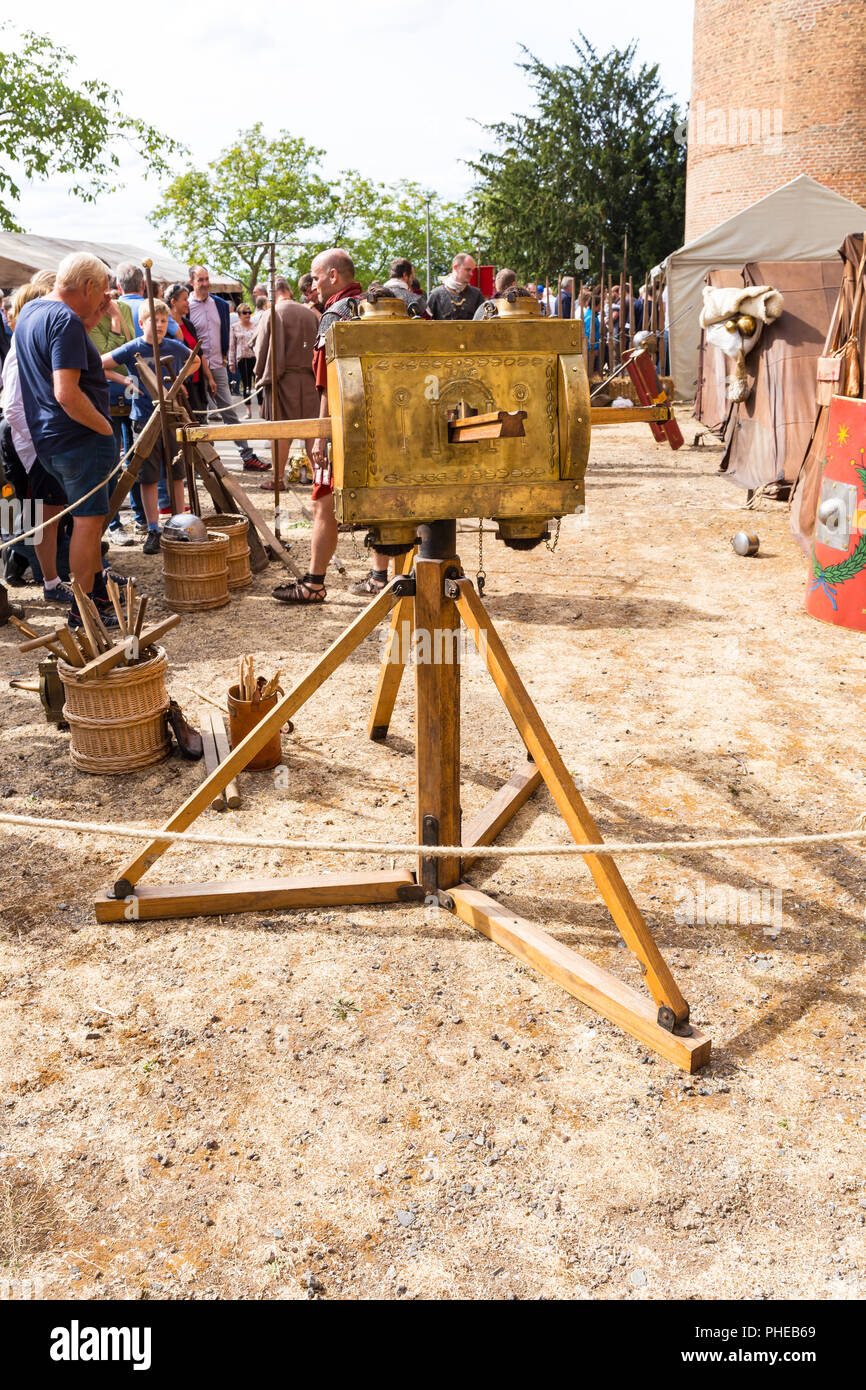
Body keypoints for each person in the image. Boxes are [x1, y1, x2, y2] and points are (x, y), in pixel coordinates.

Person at [14, 252, 121, 630]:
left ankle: (96, 594)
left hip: (49, 440)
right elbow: (66, 392)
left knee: (85, 522)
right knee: (88, 524)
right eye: (102, 291)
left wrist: (93, 315)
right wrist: (105, 428)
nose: (104, 299)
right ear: (89, 286)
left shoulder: (32, 312)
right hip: (78, 438)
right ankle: (82, 610)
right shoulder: (64, 321)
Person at [272, 248, 363, 604]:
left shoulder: (336, 314)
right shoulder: (369, 306)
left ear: (333, 276)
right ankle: (380, 575)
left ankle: (313, 583)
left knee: (323, 501)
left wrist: (320, 435)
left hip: (340, 423)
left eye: (315, 274)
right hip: (373, 423)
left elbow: (326, 380)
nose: (311, 281)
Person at [100, 299, 196, 554]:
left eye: (165, 320)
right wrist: (125, 380)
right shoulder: (133, 348)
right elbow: (100, 364)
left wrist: (178, 379)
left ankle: (177, 525)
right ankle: (153, 528)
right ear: (142, 323)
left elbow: (196, 361)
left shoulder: (175, 347)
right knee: (149, 476)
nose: (162, 325)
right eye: (156, 320)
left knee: (176, 474)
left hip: (172, 418)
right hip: (143, 418)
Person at [0, 281, 71, 603]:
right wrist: (37, 447)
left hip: (28, 438)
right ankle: (40, 573)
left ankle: (21, 565)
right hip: (22, 440)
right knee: (21, 509)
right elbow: (13, 408)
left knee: (29, 510)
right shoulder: (19, 350)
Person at [188, 266, 266, 471]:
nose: (205, 283)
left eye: (206, 279)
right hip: (194, 369)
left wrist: (224, 355)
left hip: (217, 365)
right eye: (200, 280)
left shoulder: (220, 305)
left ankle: (247, 456)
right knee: (200, 415)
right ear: (192, 282)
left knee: (229, 411)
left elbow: (225, 331)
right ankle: (208, 459)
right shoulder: (185, 306)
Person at [253, 283, 318, 495]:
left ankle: (278, 479)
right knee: (312, 432)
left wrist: (261, 375)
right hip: (310, 379)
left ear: (272, 293)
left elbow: (262, 346)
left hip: (283, 379)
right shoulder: (309, 313)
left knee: (280, 431)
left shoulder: (273, 312)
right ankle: (319, 478)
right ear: (288, 290)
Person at [88, 292, 141, 544]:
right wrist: (116, 323)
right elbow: (104, 356)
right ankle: (113, 523)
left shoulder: (122, 307)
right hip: (105, 392)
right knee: (110, 462)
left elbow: (131, 346)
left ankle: (141, 518)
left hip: (131, 389)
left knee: (137, 457)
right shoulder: (89, 312)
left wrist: (119, 317)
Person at [165, 281, 215, 418]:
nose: (188, 303)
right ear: (173, 302)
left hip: (197, 382)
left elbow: (199, 353)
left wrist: (209, 377)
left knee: (202, 420)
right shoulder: (166, 330)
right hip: (183, 385)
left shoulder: (188, 324)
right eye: (185, 300)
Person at [116, 262, 179, 338]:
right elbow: (179, 335)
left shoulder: (107, 309)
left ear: (118, 287)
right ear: (143, 285)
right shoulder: (154, 306)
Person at [427, 253, 484, 320]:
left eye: (472, 270)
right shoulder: (436, 295)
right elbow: (427, 325)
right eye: (467, 270)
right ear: (455, 267)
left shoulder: (476, 295)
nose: (471, 274)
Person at [228, 302, 258, 419]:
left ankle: (261, 409)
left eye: (249, 312)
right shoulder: (234, 327)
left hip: (255, 357)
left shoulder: (255, 325)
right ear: (239, 314)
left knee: (259, 383)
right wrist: (231, 363)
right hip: (243, 359)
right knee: (246, 385)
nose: (247, 315)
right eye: (245, 313)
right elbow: (232, 346)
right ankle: (248, 411)